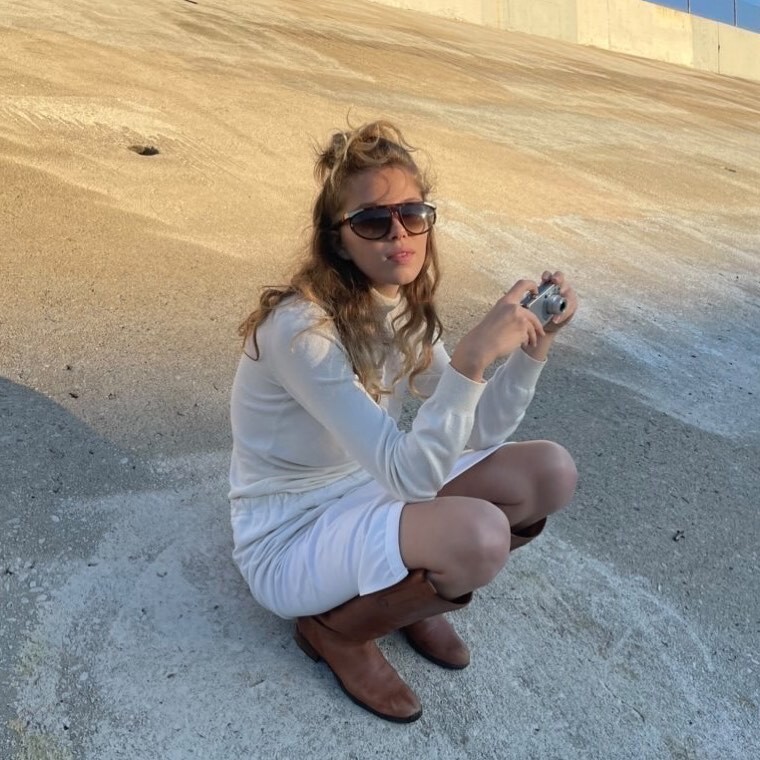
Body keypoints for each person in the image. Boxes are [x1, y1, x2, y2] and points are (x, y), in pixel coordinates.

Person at [229, 120, 578, 723]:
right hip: (291, 534)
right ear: (339, 241)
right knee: (478, 537)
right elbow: (412, 476)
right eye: (372, 221)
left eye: (412, 214)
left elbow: (478, 432)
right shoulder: (302, 331)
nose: (398, 233)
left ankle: (410, 596)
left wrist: (532, 348)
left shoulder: (396, 305)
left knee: (549, 472)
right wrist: (470, 360)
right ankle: (336, 631)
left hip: (371, 489)